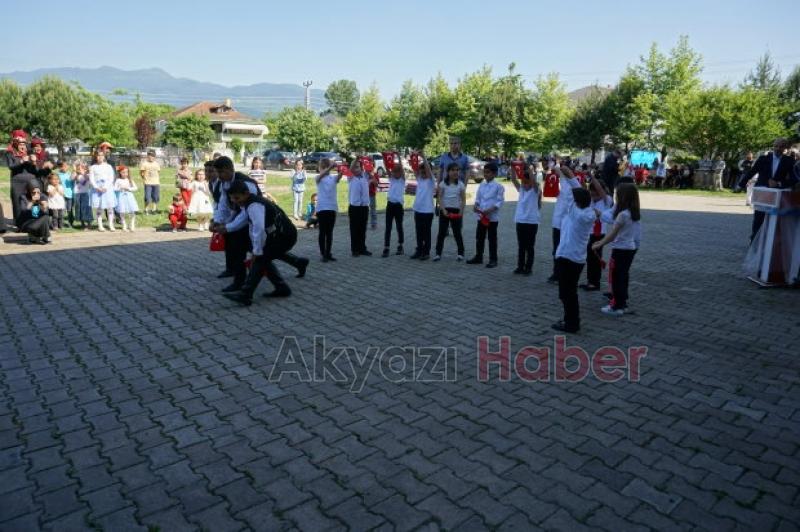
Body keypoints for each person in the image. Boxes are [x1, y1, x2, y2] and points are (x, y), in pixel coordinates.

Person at [222, 179, 306, 306]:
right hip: (279, 235)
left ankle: (246, 294)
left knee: (260, 259)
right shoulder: (249, 203)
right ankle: (282, 287)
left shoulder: (254, 205)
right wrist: (226, 228)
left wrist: (257, 251)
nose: (234, 201)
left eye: (237, 198)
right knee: (263, 258)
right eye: (232, 198)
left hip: (285, 236)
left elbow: (258, 229)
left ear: (246, 193)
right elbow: (243, 219)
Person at [210, 157, 267, 290]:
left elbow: (246, 212)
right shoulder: (224, 183)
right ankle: (239, 280)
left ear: (230, 169)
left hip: (253, 220)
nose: (219, 176)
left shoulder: (247, 184)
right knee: (239, 250)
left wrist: (228, 227)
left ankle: (240, 283)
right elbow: (224, 205)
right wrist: (217, 221)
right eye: (217, 172)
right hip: (240, 219)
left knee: (252, 251)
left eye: (221, 172)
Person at [553, 187, 599, 333]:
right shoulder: (581, 213)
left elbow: (570, 189)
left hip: (569, 258)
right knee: (567, 293)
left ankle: (572, 323)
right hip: (569, 257)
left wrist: (568, 178)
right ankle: (570, 319)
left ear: (576, 202)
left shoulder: (579, 215)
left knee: (568, 293)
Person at [592, 183, 641, 316]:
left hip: (620, 249)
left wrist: (599, 244)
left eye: (617, 195)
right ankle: (622, 303)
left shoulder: (622, 215)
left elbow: (613, 235)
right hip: (629, 248)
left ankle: (616, 306)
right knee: (623, 276)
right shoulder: (633, 213)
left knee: (616, 277)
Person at [737, 138, 797, 240]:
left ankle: (770, 243)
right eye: (776, 146)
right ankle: (754, 241)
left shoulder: (789, 161)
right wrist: (741, 185)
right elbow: (752, 172)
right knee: (758, 220)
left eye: (781, 146)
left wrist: (779, 183)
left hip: (777, 196)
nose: (778, 148)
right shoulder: (763, 159)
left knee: (774, 221)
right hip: (762, 194)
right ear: (773, 147)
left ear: (785, 148)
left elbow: (793, 179)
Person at [548, 162, 583, 282]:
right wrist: (557, 167)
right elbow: (559, 173)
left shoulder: (576, 185)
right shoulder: (563, 183)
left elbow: (565, 173)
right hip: (557, 222)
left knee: (565, 249)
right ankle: (556, 273)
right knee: (556, 250)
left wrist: (562, 169)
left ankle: (563, 274)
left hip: (568, 225)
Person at [467, 162, 505, 268]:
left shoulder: (499, 186)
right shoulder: (482, 185)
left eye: (488, 172)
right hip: (481, 216)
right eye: (484, 172)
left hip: (492, 217)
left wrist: (491, 210)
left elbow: (500, 201)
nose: (485, 174)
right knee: (479, 237)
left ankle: (493, 259)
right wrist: (475, 205)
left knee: (492, 238)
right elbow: (478, 198)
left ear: (494, 174)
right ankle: (479, 256)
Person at [582, 178, 613, 291]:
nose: (593, 194)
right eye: (591, 191)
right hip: (589, 233)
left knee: (595, 258)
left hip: (598, 233)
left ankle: (595, 283)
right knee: (590, 258)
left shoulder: (607, 200)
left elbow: (600, 189)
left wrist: (592, 177)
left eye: (595, 192)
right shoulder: (591, 200)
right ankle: (590, 281)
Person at [510, 166, 542, 275]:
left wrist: (529, 170)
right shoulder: (521, 190)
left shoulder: (535, 191)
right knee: (521, 246)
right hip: (520, 221)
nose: (523, 183)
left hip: (531, 222)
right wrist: (513, 168)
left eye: (525, 181)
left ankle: (528, 268)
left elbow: (533, 181)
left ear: (530, 181)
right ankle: (520, 266)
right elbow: (513, 179)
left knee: (529, 246)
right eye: (522, 181)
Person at [433, 162, 467, 261]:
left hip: (456, 211)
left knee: (457, 233)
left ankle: (461, 253)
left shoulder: (460, 184)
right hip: (445, 210)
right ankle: (438, 253)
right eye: (453, 170)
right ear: (448, 172)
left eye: (457, 170)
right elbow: (439, 198)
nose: (455, 172)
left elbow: (463, 199)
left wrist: (461, 211)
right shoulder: (442, 184)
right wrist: (443, 210)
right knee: (441, 232)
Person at [315, 159, 344, 262]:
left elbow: (340, 176)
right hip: (322, 208)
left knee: (329, 232)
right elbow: (321, 175)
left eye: (321, 166)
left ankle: (328, 253)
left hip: (332, 208)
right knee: (322, 232)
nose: (320, 168)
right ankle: (323, 253)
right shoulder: (318, 177)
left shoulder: (333, 178)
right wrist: (331, 167)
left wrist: (343, 167)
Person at [410, 151, 435, 260]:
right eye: (421, 169)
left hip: (427, 211)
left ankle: (426, 252)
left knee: (426, 232)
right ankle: (419, 250)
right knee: (419, 232)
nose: (423, 171)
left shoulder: (431, 180)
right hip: (418, 210)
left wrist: (423, 157)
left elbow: (428, 170)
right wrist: (413, 157)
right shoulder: (419, 179)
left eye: (425, 169)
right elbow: (414, 168)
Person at [382, 162, 405, 257]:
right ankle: (386, 247)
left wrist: (398, 157)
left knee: (399, 226)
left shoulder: (402, 180)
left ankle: (400, 245)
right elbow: (387, 168)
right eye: (394, 172)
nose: (395, 173)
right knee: (388, 227)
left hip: (398, 206)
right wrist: (384, 157)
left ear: (400, 172)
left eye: (397, 172)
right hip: (390, 205)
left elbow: (402, 170)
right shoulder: (391, 179)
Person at [90, 153, 117, 231]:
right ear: (96, 157)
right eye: (98, 155)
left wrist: (106, 187)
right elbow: (91, 178)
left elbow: (111, 177)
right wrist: (96, 187)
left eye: (102, 155)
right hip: (97, 189)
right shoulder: (93, 167)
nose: (100, 157)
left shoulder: (108, 166)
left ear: (104, 157)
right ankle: (100, 225)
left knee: (110, 207)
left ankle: (111, 224)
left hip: (107, 188)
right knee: (99, 208)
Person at [114, 166, 139, 231]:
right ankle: (124, 224)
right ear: (120, 173)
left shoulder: (129, 180)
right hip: (121, 197)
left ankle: (132, 224)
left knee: (132, 210)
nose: (125, 174)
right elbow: (114, 188)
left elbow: (135, 188)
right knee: (122, 211)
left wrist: (129, 188)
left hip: (129, 197)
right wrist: (120, 188)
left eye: (126, 172)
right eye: (123, 172)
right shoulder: (118, 180)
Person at [72, 162, 93, 230]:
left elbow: (86, 180)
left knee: (86, 208)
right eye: (78, 168)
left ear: (84, 169)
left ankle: (89, 224)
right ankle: (82, 224)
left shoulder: (87, 175)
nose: (79, 169)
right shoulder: (75, 174)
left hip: (85, 193)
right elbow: (71, 178)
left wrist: (83, 173)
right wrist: (74, 170)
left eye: (81, 168)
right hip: (77, 193)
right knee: (79, 209)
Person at [140, 149, 161, 214]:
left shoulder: (157, 164)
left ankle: (154, 209)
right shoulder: (144, 164)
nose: (151, 157)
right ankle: (146, 209)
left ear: (155, 156)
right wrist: (145, 179)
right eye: (150, 155)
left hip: (156, 183)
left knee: (155, 197)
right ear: (147, 156)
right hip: (148, 183)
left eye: (153, 156)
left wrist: (156, 179)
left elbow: (158, 172)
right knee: (147, 197)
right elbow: (142, 173)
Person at [55, 161, 75, 227]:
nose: (66, 167)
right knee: (61, 210)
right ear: (60, 167)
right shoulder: (58, 175)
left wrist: (74, 170)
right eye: (64, 166)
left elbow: (72, 180)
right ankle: (60, 223)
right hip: (61, 195)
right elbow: (57, 185)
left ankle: (70, 222)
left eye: (67, 166)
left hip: (70, 195)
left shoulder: (69, 174)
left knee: (70, 210)